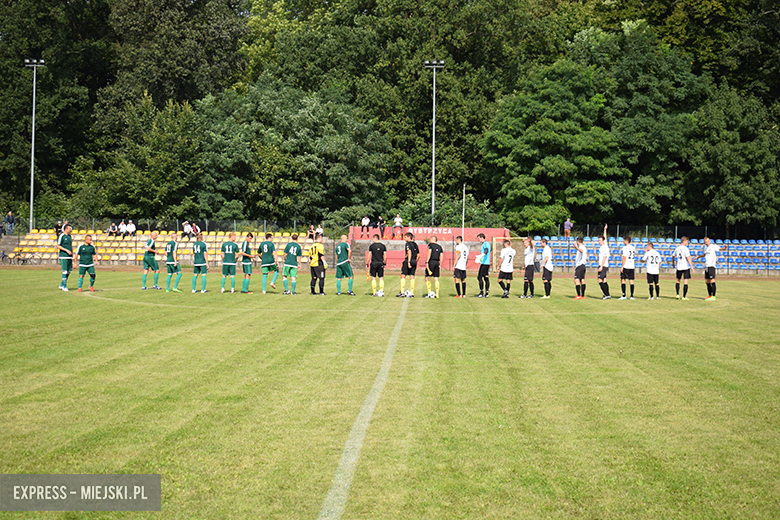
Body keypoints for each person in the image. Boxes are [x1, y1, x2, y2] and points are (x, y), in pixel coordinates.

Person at [397, 232, 419, 297]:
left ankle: (402, 292)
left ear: (409, 237)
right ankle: (412, 293)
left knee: (403, 275)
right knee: (412, 276)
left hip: (408, 261)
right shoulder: (415, 244)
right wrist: (415, 261)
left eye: (405, 237)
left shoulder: (408, 244)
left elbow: (409, 252)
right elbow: (418, 255)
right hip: (414, 261)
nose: (405, 238)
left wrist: (409, 262)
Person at [619, 235, 637, 300]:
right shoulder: (633, 248)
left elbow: (624, 257)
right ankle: (632, 296)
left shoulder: (625, 247)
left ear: (626, 241)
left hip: (626, 265)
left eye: (624, 240)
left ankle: (624, 295)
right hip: (632, 266)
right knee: (631, 280)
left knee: (623, 279)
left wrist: (622, 266)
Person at [57, 224, 74, 291]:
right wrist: (66, 250)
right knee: (64, 271)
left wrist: (71, 252)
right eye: (69, 228)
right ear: (66, 229)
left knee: (69, 271)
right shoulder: (62, 236)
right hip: (63, 256)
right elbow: (58, 246)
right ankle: (64, 286)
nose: (70, 230)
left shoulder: (69, 236)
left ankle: (61, 284)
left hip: (69, 256)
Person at [597, 224, 611, 300]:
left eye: (600, 240)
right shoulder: (605, 245)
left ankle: (606, 294)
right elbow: (605, 237)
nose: (599, 241)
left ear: (602, 241)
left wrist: (601, 266)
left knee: (599, 280)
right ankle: (607, 294)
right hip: (603, 265)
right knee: (604, 280)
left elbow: (605, 257)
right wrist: (605, 229)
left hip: (603, 265)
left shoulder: (604, 247)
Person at [476, 233, 491, 298]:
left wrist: (481, 255)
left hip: (485, 264)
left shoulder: (485, 243)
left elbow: (487, 250)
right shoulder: (485, 244)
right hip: (485, 263)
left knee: (479, 277)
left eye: (479, 238)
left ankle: (481, 292)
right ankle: (486, 293)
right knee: (485, 277)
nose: (478, 239)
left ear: (482, 237)